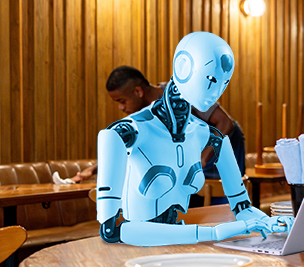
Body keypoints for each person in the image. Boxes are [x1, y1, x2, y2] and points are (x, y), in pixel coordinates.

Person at [96, 32, 291, 246]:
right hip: (135, 258)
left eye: (224, 83)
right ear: (182, 67)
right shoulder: (124, 132)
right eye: (211, 80)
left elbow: (243, 208)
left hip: (185, 253)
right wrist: (215, 233)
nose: (216, 92)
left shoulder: (209, 135)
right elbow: (112, 230)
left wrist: (272, 223)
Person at [73, 66, 246, 183]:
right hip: (195, 156)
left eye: (122, 101)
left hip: (222, 146)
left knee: (219, 209)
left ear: (138, 91)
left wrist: (202, 157)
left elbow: (225, 123)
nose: (121, 107)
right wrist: (92, 170)